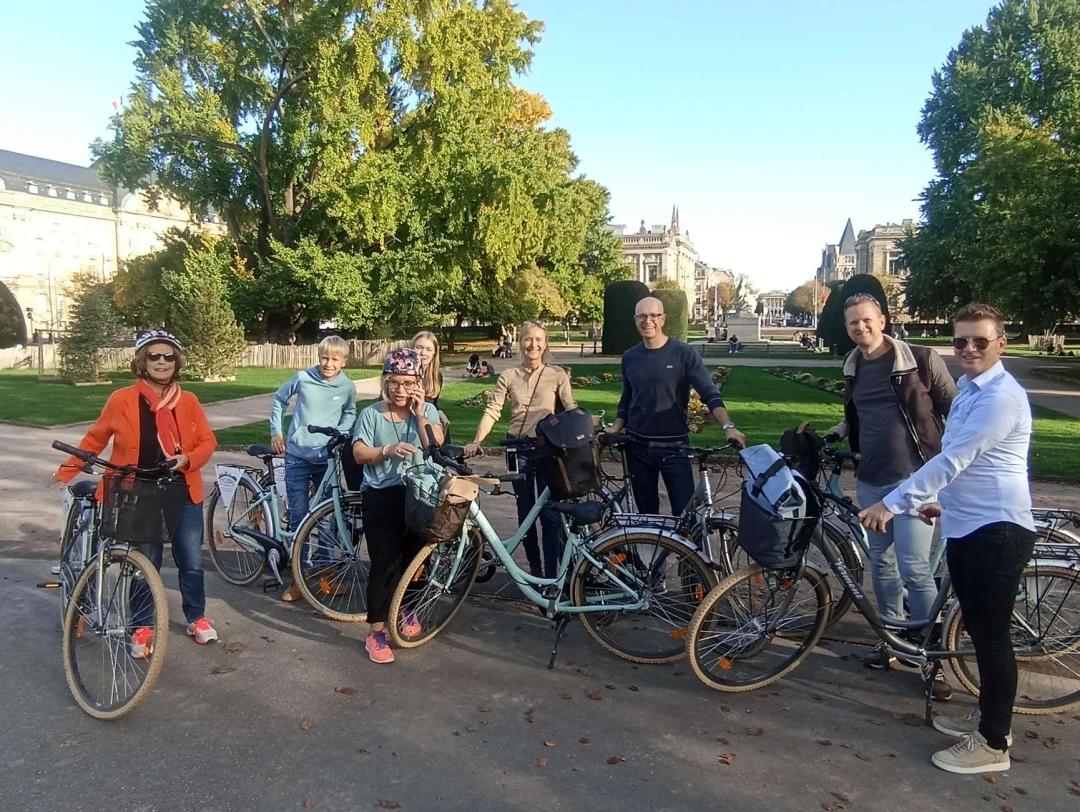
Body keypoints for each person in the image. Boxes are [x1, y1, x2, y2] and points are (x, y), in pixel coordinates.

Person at [859, 303, 1035, 775]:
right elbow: (967, 465)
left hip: (996, 530)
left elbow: (952, 461)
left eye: (980, 341)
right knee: (979, 632)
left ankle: (994, 744)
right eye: (960, 341)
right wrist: (943, 504)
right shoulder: (972, 392)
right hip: (969, 524)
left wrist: (891, 503)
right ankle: (991, 721)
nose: (969, 349)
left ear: (1001, 344)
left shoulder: (1001, 398)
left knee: (992, 639)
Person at [55, 330, 219, 651]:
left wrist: (187, 459)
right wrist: (67, 469)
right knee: (145, 562)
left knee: (191, 560)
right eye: (154, 356)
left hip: (181, 489)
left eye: (168, 356)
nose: (162, 362)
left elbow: (207, 441)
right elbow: (95, 438)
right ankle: (142, 626)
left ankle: (197, 617)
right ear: (142, 361)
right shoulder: (122, 399)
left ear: (176, 362)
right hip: (139, 491)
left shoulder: (188, 400)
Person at [826, 294, 957, 689]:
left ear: (882, 320)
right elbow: (862, 414)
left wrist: (953, 463)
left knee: (914, 567)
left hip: (915, 479)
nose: (860, 327)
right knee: (882, 565)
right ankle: (893, 642)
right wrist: (840, 430)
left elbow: (956, 408)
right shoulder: (853, 366)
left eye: (866, 319)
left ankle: (931, 655)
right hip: (872, 479)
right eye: (853, 322)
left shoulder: (919, 359)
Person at [611, 297, 746, 516]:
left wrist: (728, 426)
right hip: (637, 446)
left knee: (685, 515)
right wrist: (616, 427)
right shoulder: (630, 357)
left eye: (653, 315)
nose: (648, 321)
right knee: (647, 515)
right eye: (642, 316)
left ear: (663, 319)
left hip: (674, 446)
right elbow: (627, 399)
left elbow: (709, 393)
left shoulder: (683, 353)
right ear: (635, 320)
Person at [351, 348, 443, 664]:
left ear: (419, 382)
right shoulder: (370, 414)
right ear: (385, 382)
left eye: (408, 383)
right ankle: (376, 632)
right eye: (394, 383)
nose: (400, 390)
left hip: (419, 494)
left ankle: (407, 609)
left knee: (417, 561)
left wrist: (420, 415)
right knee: (384, 563)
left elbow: (435, 445)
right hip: (382, 494)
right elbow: (359, 454)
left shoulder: (427, 411)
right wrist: (386, 450)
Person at [464, 322, 576, 578]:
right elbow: (493, 410)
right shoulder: (509, 375)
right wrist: (476, 441)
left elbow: (570, 410)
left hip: (547, 448)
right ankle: (533, 573)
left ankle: (552, 576)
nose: (533, 345)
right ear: (520, 342)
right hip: (518, 449)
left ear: (545, 344)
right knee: (525, 512)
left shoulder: (557, 374)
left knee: (550, 514)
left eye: (538, 339)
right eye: (528, 339)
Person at [269, 335, 357, 602]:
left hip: (326, 459)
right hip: (297, 456)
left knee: (328, 518)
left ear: (344, 361)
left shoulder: (347, 387)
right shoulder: (303, 378)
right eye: (324, 358)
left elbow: (350, 412)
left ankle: (326, 573)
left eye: (334, 359)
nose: (328, 364)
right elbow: (279, 399)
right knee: (299, 518)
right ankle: (300, 577)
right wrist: (276, 432)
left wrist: (341, 432)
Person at [411, 331, 444, 407]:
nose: (423, 353)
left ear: (434, 353)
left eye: (428, 349)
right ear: (412, 349)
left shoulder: (436, 376)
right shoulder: (401, 373)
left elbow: (433, 404)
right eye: (419, 347)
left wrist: (439, 411)